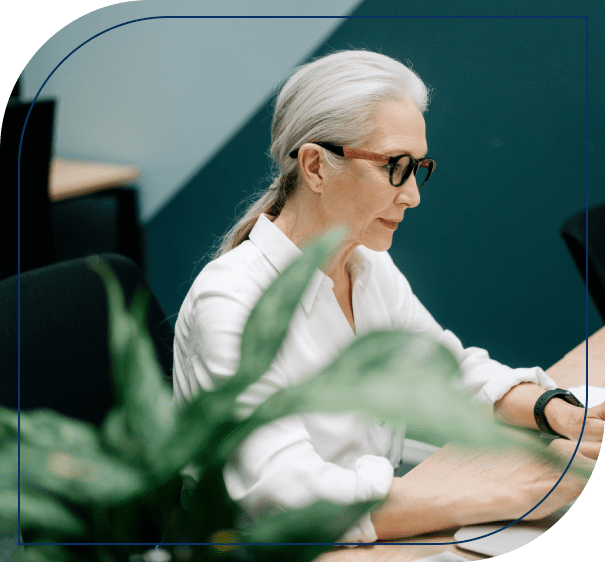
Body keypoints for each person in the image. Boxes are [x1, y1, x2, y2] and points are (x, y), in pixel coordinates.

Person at [172, 50, 602, 543]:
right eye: (396, 166)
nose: (413, 195)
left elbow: (445, 370)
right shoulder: (229, 302)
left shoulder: (366, 263)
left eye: (418, 168)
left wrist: (560, 410)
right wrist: (513, 494)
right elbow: (289, 497)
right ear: (315, 166)